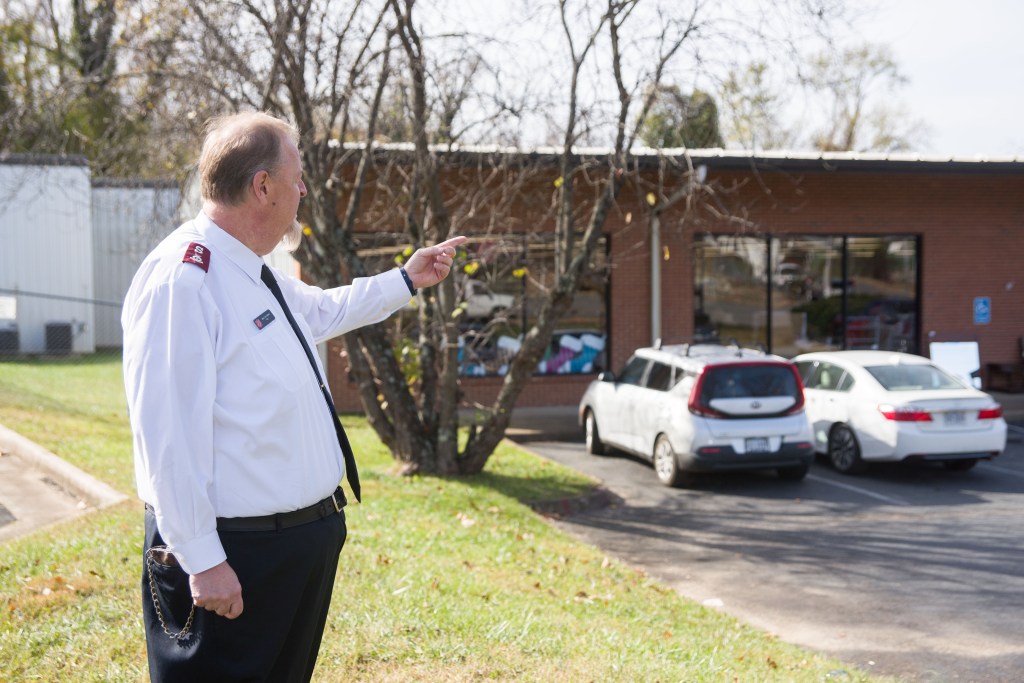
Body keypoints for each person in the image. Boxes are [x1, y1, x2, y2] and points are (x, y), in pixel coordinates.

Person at [122, 111, 465, 682]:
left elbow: (325, 310)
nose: (304, 189)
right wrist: (204, 561)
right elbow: (167, 439)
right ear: (263, 187)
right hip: (237, 558)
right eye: (298, 176)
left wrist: (407, 279)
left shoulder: (250, 270)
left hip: (290, 551)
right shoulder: (184, 280)